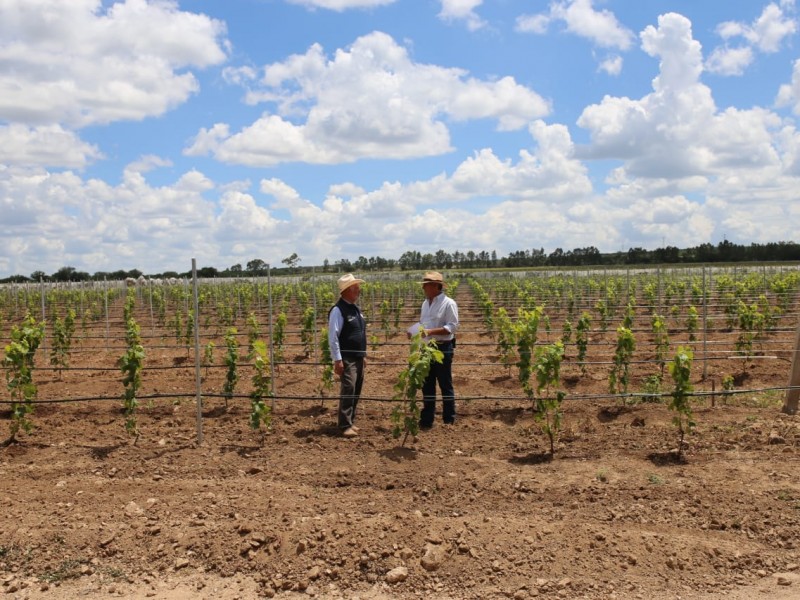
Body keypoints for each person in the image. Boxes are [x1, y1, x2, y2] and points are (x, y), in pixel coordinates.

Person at [414, 271, 459, 428]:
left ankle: (449, 419)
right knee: (427, 384)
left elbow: (452, 327)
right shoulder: (425, 303)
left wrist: (431, 332)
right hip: (426, 348)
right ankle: (427, 419)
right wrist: (414, 332)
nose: (423, 288)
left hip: (442, 348)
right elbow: (423, 324)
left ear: (435, 286)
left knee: (445, 384)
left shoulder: (449, 303)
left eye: (425, 285)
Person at [328, 273, 367, 438]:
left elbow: (359, 333)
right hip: (347, 357)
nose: (358, 291)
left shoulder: (354, 308)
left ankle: (350, 421)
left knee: (356, 389)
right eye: (355, 288)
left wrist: (363, 354)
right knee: (348, 388)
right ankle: (344, 425)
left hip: (358, 356)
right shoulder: (338, 310)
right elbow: (333, 337)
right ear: (346, 291)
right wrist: (337, 360)